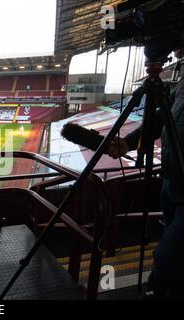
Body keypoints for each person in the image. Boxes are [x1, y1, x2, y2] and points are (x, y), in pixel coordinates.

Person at [106, 42, 184, 299]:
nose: (176, 50)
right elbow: (162, 116)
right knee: (172, 254)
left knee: (167, 257)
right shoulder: (182, 81)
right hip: (171, 180)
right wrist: (129, 141)